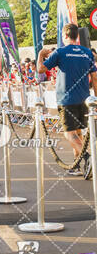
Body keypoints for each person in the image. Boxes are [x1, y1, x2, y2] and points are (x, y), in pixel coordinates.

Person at [38, 23, 97, 178]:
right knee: (78, 132)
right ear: (77, 36)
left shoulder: (60, 52)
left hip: (66, 99)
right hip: (85, 99)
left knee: (69, 133)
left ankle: (89, 158)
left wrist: (40, 55)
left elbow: (40, 70)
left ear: (64, 36)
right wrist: (95, 99)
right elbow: (95, 77)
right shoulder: (87, 52)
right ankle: (77, 165)